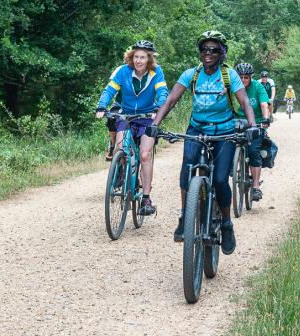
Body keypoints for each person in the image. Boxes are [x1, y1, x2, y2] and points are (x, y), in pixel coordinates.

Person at [146, 31, 257, 255]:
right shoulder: (192, 74)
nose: (208, 53)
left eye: (213, 50)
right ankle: (184, 216)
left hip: (224, 131)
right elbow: (171, 100)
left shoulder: (229, 75)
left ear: (222, 53)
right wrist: (156, 124)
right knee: (187, 170)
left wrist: (252, 125)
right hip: (196, 128)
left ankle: (226, 224)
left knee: (219, 179)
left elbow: (244, 101)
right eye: (204, 49)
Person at [95, 40, 168, 216]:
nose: (138, 60)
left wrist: (159, 107)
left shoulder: (156, 72)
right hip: (125, 115)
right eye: (136, 56)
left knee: (144, 155)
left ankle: (146, 198)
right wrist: (101, 106)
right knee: (120, 149)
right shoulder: (123, 71)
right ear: (131, 57)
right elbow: (109, 90)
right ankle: (122, 173)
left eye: (142, 57)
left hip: (147, 118)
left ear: (149, 59)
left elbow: (162, 92)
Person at [234, 62, 270, 201]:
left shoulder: (258, 86)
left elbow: (263, 104)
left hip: (256, 123)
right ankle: (235, 166)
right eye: (240, 77)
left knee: (254, 151)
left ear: (250, 77)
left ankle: (255, 187)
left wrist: (266, 118)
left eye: (246, 77)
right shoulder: (232, 87)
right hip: (238, 123)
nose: (243, 80)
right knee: (229, 144)